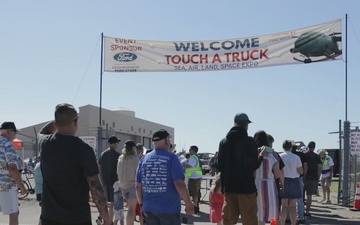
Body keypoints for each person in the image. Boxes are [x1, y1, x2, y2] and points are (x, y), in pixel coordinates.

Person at [40, 103, 110, 225]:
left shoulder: (45, 144)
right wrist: (107, 219)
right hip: (77, 218)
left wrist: (59, 119)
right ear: (76, 122)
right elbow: (96, 188)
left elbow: (43, 132)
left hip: (49, 217)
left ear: (56, 124)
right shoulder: (84, 149)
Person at [135, 129, 194, 225]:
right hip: (169, 210)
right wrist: (188, 203)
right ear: (166, 140)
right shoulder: (172, 158)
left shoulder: (143, 159)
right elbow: (179, 184)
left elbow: (138, 186)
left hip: (148, 209)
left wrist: (141, 204)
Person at [217, 113, 264, 225]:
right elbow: (253, 165)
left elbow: (219, 166)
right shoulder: (250, 142)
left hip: (229, 188)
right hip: (246, 189)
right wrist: (261, 157)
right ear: (246, 124)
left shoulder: (224, 142)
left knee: (228, 221)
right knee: (250, 221)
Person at [0, 122, 28, 225]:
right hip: (6, 185)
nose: (15, 135)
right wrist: (22, 187)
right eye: (15, 132)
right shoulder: (7, 144)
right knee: (14, 214)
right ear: (9, 131)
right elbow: (12, 168)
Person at [254, 130, 282, 225]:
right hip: (269, 184)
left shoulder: (252, 152)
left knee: (258, 212)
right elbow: (277, 173)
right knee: (273, 212)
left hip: (255, 184)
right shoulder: (272, 154)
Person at [279, 140, 303, 225]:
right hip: (294, 180)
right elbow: (300, 171)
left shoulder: (280, 156)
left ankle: (282, 223)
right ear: (291, 147)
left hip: (283, 180)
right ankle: (293, 223)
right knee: (293, 206)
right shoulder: (296, 157)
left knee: (284, 205)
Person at [98, 136, 121, 223]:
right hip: (114, 181)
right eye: (116, 143)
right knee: (112, 203)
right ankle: (109, 221)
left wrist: (101, 178)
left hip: (104, 181)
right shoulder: (117, 155)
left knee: (104, 202)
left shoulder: (102, 154)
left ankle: (103, 219)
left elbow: (99, 167)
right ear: (114, 143)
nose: (117, 145)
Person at [117, 140, 139, 225]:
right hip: (132, 185)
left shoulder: (120, 158)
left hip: (123, 185)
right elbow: (138, 173)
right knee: (131, 209)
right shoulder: (134, 159)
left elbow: (118, 173)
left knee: (129, 209)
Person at [290, 141, 308, 224]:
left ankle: (288, 217)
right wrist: (304, 175)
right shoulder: (301, 155)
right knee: (300, 199)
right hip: (298, 177)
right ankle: (301, 217)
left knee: (288, 198)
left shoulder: (286, 155)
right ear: (296, 147)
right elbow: (305, 166)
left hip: (288, 178)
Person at [303, 141, 321, 217]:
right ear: (314, 147)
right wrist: (318, 177)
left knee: (301, 196)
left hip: (304, 177)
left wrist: (303, 175)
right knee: (309, 195)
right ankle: (307, 211)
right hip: (313, 177)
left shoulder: (304, 155)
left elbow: (305, 166)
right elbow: (319, 168)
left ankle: (300, 212)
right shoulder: (317, 156)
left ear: (308, 146)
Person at [183, 145, 202, 214]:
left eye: (190, 149)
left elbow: (189, 166)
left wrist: (181, 165)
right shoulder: (195, 157)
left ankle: (194, 207)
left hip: (194, 178)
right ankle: (195, 207)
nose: (189, 150)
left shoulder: (193, 158)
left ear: (193, 150)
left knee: (193, 194)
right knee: (195, 193)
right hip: (195, 177)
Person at [34, 158, 43, 225]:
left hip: (38, 190)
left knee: (43, 211)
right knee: (44, 212)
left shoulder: (37, 165)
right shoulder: (44, 165)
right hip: (43, 190)